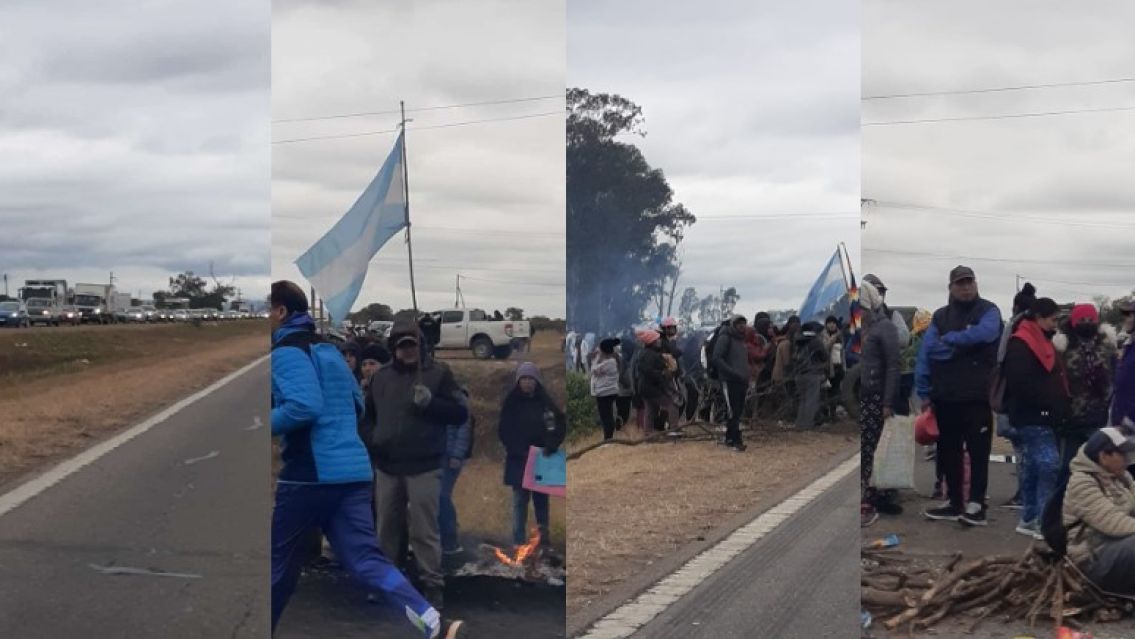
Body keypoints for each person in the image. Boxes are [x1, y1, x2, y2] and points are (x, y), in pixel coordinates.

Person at [268, 281, 465, 638]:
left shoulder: (286, 352)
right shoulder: (328, 352)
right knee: (368, 559)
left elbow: (303, 406)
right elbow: (358, 405)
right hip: (356, 473)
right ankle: (435, 624)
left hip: (310, 474)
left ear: (281, 312)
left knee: (278, 565)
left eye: (268, 310)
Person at [368, 314, 467, 610]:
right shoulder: (380, 377)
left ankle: (432, 584)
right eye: (402, 345)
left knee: (424, 530)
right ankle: (387, 583)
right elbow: (368, 415)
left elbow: (459, 414)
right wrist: (373, 439)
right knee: (386, 528)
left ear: (421, 346)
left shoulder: (438, 374)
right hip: (387, 465)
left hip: (424, 464)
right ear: (393, 347)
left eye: (413, 345)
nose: (408, 350)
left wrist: (431, 404)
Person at [917, 266, 1003, 526]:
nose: (965, 287)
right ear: (951, 287)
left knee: (978, 452)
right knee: (948, 453)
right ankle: (954, 501)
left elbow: (987, 333)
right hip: (943, 397)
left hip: (977, 396)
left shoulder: (989, 310)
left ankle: (977, 503)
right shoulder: (940, 316)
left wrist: (953, 340)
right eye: (960, 283)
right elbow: (928, 351)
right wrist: (923, 391)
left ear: (976, 284)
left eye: (969, 282)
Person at [1003, 297, 1070, 539]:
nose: (1055, 324)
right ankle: (1044, 520)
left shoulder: (1035, 340)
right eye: (1053, 319)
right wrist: (1049, 405)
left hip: (1035, 414)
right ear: (1040, 318)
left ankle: (1029, 517)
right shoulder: (1022, 344)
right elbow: (1022, 383)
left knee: (1032, 465)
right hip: (1034, 415)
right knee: (1048, 464)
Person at [498, 362, 566, 548]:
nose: (527, 382)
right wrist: (516, 449)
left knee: (541, 503)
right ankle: (518, 543)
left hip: (541, 461)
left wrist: (551, 446)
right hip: (519, 460)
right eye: (524, 379)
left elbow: (559, 425)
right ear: (518, 381)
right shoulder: (511, 403)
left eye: (531, 379)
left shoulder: (545, 403)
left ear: (537, 381)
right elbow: (504, 430)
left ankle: (543, 542)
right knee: (520, 502)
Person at [1062, 427, 1135, 595]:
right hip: (1092, 560)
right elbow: (1113, 523)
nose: (1128, 460)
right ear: (1104, 456)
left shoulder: (1122, 477)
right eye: (1123, 455)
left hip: (1117, 549)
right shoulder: (1081, 482)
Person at [1054, 303, 1118, 480]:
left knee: (1099, 470)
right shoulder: (1063, 347)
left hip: (1099, 417)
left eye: (1091, 319)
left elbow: (1115, 376)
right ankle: (1058, 506)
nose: (1087, 323)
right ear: (1074, 322)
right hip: (1071, 418)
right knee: (1066, 469)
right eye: (1082, 320)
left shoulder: (1107, 347)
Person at [858, 281, 901, 527]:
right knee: (864, 449)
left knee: (874, 450)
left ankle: (872, 497)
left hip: (877, 398)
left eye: (862, 309)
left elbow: (893, 366)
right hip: (864, 396)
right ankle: (865, 494)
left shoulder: (885, 328)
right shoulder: (863, 330)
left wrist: (887, 402)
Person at [993, 283, 1037, 509]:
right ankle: (1030, 495)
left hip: (1016, 394)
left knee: (1021, 447)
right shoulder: (1041, 326)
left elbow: (1001, 358)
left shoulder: (1014, 326)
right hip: (1039, 397)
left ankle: (1024, 495)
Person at [440, 386, 472, 558]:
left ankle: (450, 539)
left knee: (442, 496)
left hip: (450, 457)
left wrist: (457, 455)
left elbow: (463, 430)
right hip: (433, 455)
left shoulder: (458, 400)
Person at [712, 315, 750, 451]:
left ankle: (730, 438)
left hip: (742, 381)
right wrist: (732, 372)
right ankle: (735, 439)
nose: (742, 326)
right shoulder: (725, 337)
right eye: (739, 323)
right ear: (733, 325)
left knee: (738, 410)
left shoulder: (741, 340)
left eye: (743, 323)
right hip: (729, 380)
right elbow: (717, 358)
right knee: (732, 410)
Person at [635, 329, 676, 432]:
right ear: (652, 342)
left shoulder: (642, 353)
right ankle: (675, 430)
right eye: (657, 340)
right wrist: (663, 374)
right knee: (672, 405)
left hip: (644, 387)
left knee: (650, 410)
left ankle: (648, 434)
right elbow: (651, 372)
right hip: (652, 388)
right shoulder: (652, 356)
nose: (659, 341)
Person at [793, 321, 829, 430]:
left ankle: (800, 424)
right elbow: (825, 356)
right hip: (812, 374)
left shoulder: (798, 341)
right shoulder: (816, 341)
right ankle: (807, 426)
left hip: (799, 374)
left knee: (803, 400)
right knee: (811, 400)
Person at [591, 338, 622, 441]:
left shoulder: (610, 362)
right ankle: (608, 437)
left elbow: (594, 370)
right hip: (610, 391)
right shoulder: (612, 360)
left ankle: (608, 438)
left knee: (606, 417)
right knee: (608, 415)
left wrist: (597, 357)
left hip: (605, 392)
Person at [1114, 300, 1135, 427]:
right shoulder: (1129, 345)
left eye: (1130, 315)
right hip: (1122, 421)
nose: (1125, 319)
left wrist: (1130, 419)